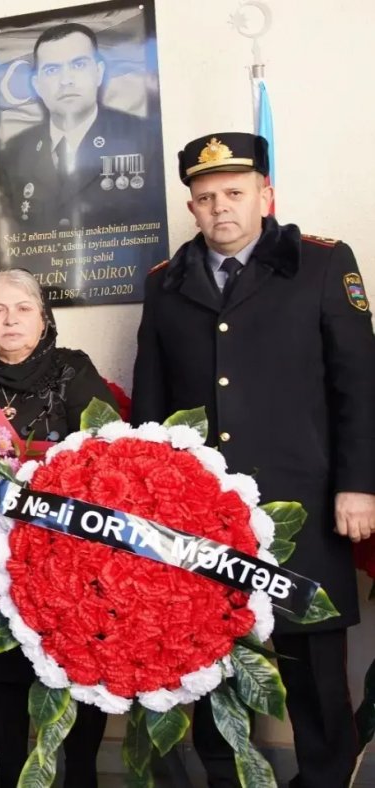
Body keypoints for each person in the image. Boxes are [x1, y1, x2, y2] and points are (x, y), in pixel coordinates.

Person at [131, 132, 375, 788]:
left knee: (312, 660)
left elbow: (359, 385)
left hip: (304, 499)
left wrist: (358, 485)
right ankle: (229, 778)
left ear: (266, 196)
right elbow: (151, 402)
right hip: (202, 515)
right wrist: (149, 507)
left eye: (234, 193)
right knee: (212, 656)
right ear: (191, 206)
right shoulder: (165, 283)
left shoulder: (321, 264)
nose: (221, 207)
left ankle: (325, 778)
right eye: (206, 197)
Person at [0, 268, 118, 788]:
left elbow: (109, 460)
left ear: (43, 318)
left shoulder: (74, 372)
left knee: (74, 666)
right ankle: (12, 774)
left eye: (22, 309)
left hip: (65, 555)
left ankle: (81, 776)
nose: (10, 320)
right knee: (1, 666)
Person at [0, 22, 163, 230]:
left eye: (78, 65)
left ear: (99, 73)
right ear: (37, 85)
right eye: (52, 70)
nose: (66, 80)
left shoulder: (145, 140)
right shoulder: (14, 153)